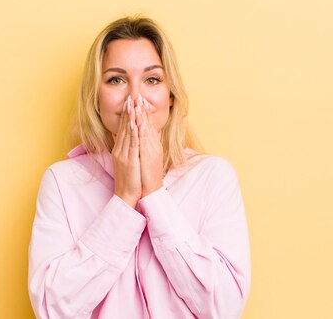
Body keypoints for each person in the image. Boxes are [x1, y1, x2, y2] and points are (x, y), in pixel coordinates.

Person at [28, 16, 251, 319]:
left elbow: (223, 308)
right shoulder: (62, 182)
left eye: (152, 80)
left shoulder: (213, 177)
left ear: (170, 96)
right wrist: (124, 197)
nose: (136, 98)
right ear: (96, 98)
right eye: (116, 80)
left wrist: (155, 195)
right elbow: (52, 309)